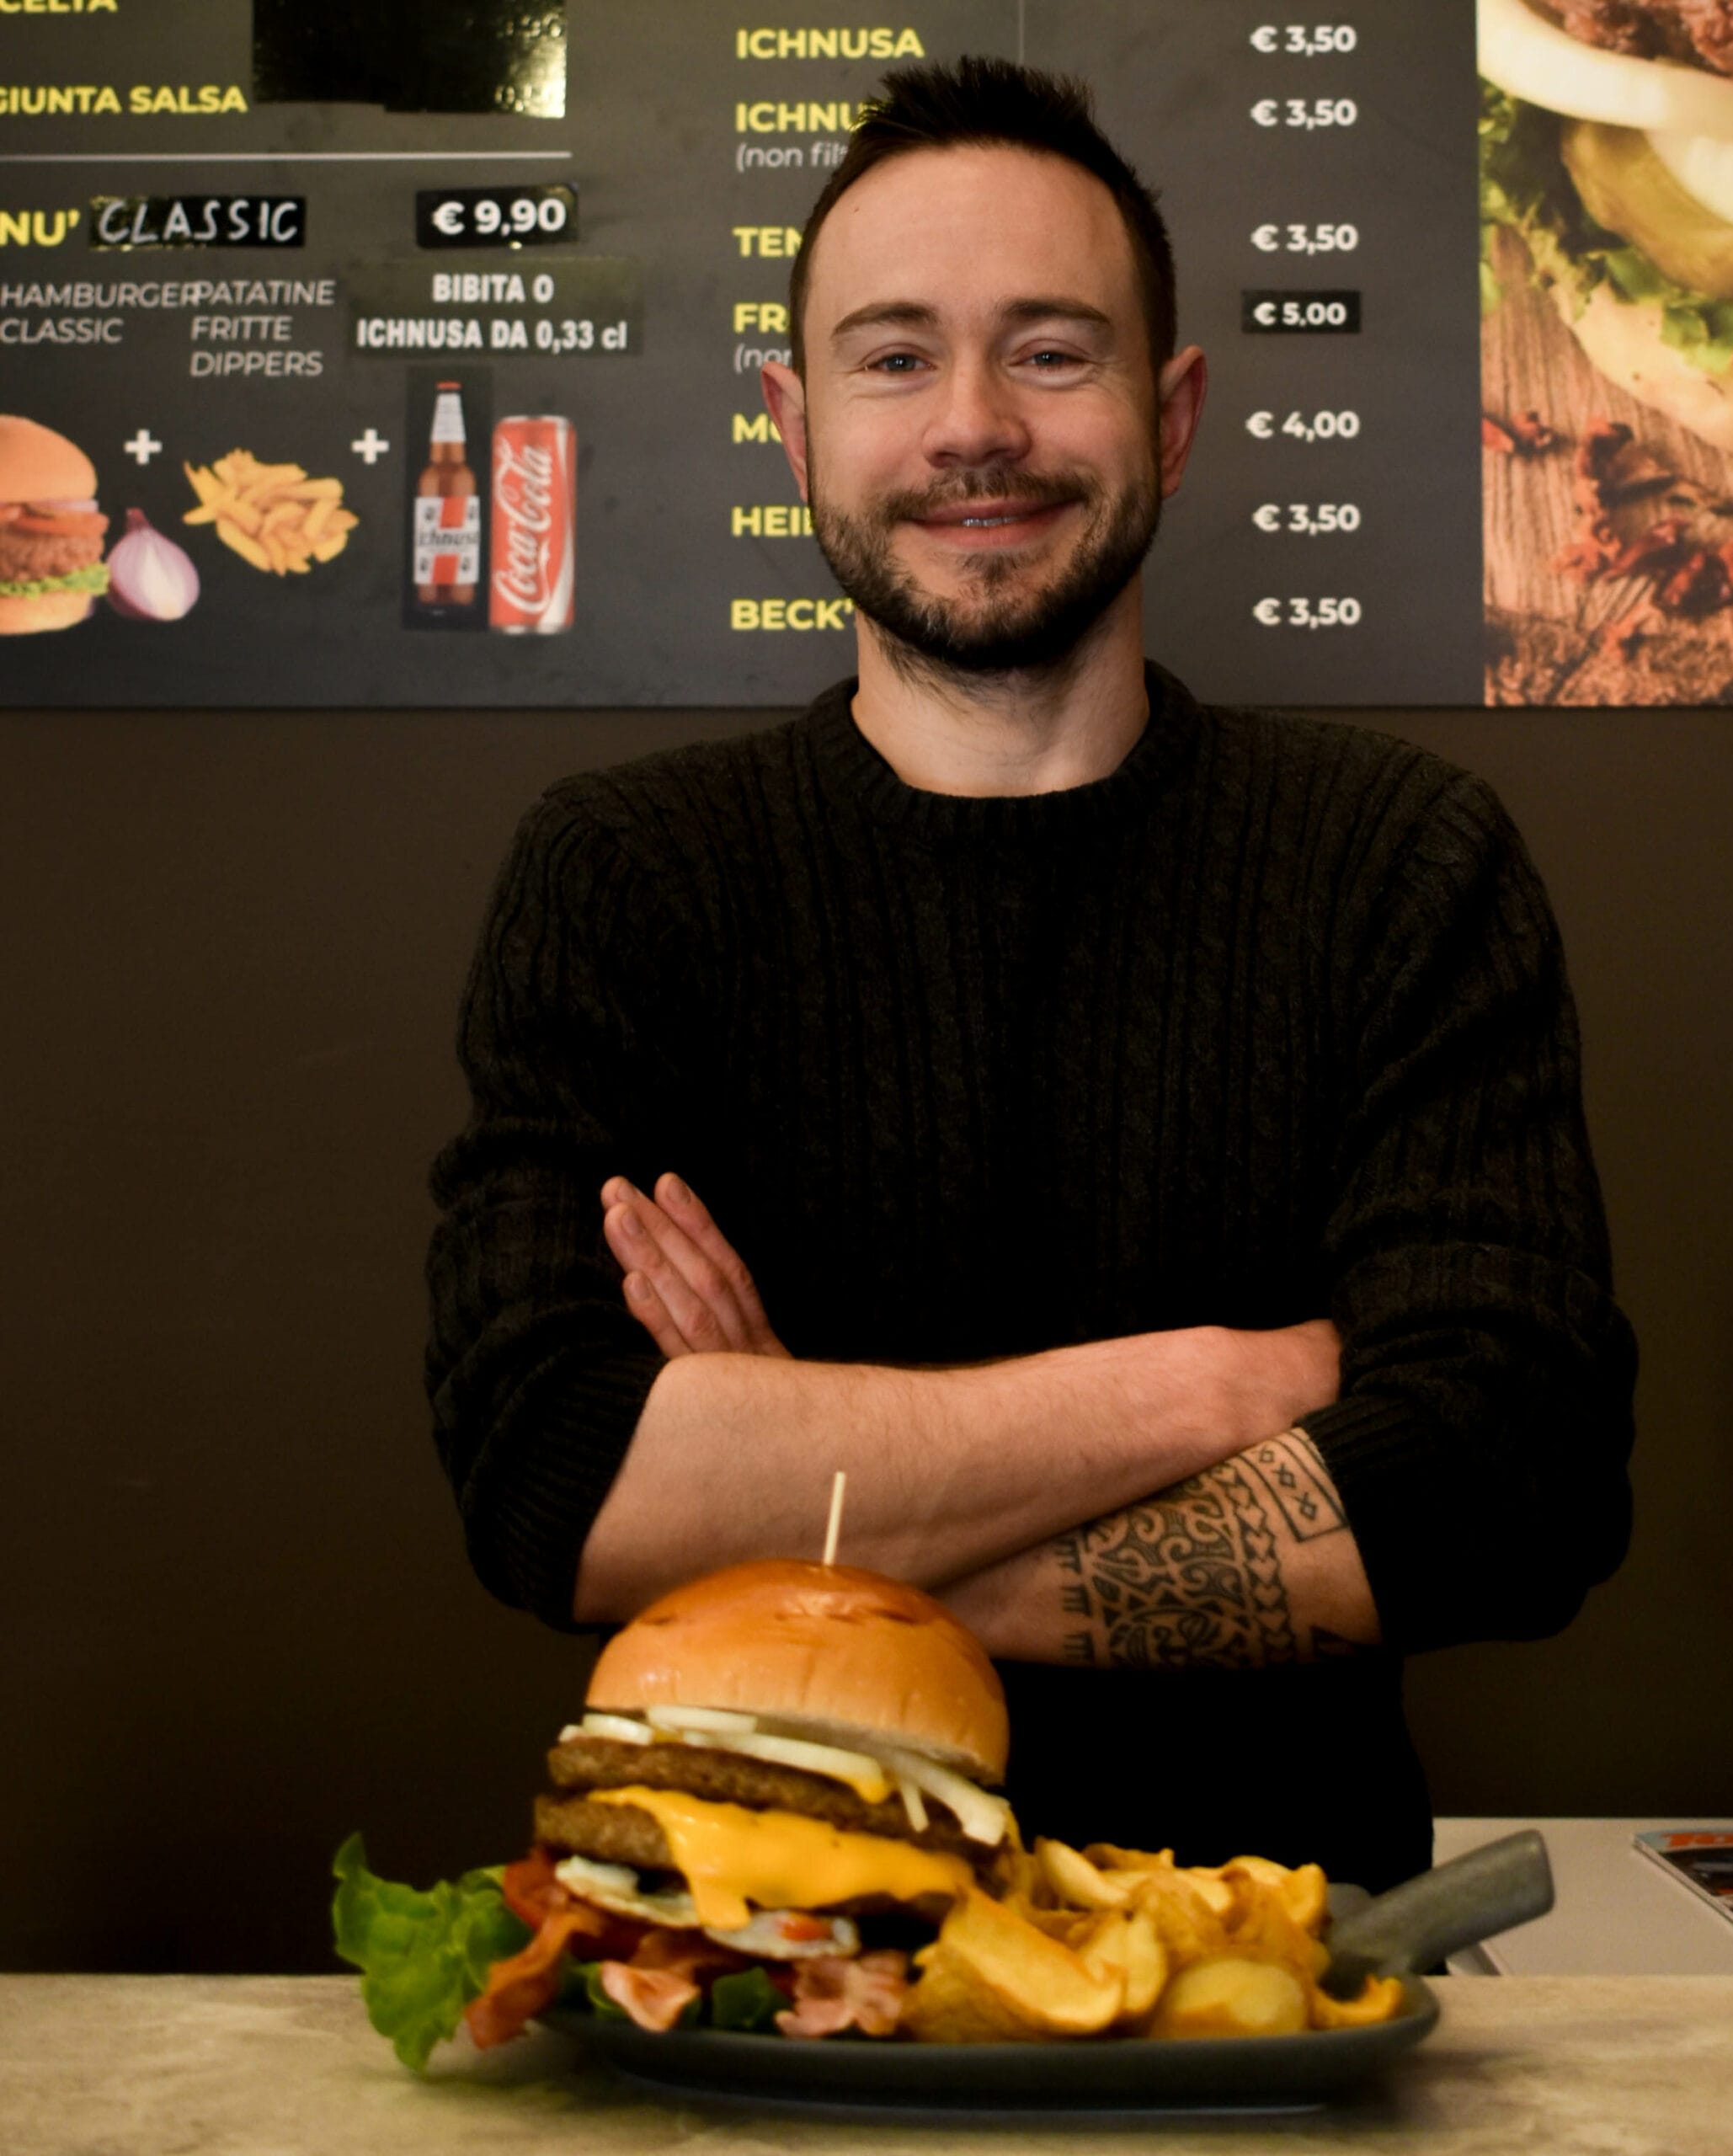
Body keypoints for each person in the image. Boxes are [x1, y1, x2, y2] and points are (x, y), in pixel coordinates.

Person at [426, 58, 1636, 1893]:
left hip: (1276, 2004)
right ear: (793, 420)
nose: (971, 426)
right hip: (757, 1993)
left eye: (1049, 352)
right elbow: (556, 1478)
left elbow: (1499, 1480)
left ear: (1172, 415)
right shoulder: (623, 877)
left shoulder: (1397, 857)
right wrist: (1215, 1384)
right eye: (894, 356)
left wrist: (797, 1533)